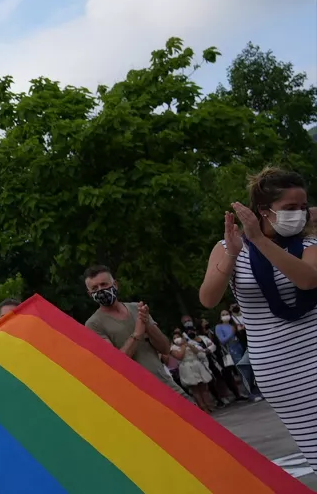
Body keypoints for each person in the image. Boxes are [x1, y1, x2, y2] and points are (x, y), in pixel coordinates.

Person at [198, 167, 317, 467]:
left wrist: (260, 241)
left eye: (302, 207)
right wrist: (233, 254)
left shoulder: (310, 243)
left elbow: (307, 280)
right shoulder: (228, 248)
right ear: (263, 211)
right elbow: (208, 298)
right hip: (277, 366)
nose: (299, 214)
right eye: (290, 208)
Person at [82, 265, 187, 397]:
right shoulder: (93, 324)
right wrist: (137, 333)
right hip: (138, 395)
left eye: (104, 284)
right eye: (95, 288)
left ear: (115, 284)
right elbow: (115, 364)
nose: (101, 290)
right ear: (89, 294)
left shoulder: (137, 308)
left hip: (166, 385)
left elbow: (165, 348)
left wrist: (147, 324)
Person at [173, 333, 215, 413]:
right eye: (175, 338)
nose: (177, 339)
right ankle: (202, 407)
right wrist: (183, 346)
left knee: (203, 386)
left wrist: (188, 344)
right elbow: (180, 356)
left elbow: (197, 352)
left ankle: (209, 404)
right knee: (195, 389)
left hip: (196, 364)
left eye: (178, 337)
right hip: (186, 367)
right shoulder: (173, 348)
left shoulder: (190, 344)